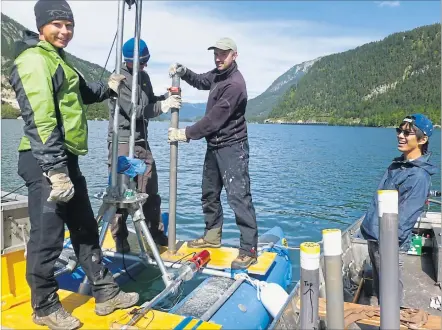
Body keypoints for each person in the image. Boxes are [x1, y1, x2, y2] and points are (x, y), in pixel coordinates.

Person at [9, 1, 139, 328]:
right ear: (41, 26)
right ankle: (45, 307)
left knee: (84, 228)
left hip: (66, 159)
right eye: (57, 24)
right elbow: (40, 118)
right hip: (44, 160)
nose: (65, 31)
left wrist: (107, 88)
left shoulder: (59, 61)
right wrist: (54, 170)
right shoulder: (33, 61)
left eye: (69, 25)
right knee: (48, 237)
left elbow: (82, 92)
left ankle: (106, 293)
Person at [168, 37, 258, 269]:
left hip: (232, 147)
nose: (219, 58)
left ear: (234, 55)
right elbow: (200, 81)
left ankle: (249, 249)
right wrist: (184, 71)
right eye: (216, 53)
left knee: (238, 197)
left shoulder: (235, 84)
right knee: (209, 193)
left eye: (223, 54)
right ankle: (212, 235)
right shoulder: (219, 75)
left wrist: (185, 133)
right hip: (214, 145)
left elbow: (213, 120)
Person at [107, 37, 181, 252]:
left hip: (141, 143)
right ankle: (120, 239)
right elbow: (134, 112)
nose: (145, 66)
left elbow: (149, 101)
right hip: (122, 142)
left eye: (146, 61)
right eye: (141, 62)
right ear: (129, 60)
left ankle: (154, 234)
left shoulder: (144, 77)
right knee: (121, 194)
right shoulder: (119, 80)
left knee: (149, 189)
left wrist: (168, 96)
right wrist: (163, 107)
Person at [360, 113, 438, 306]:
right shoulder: (397, 166)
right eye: (399, 130)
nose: (400, 135)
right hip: (375, 238)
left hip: (388, 243)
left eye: (408, 133)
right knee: (381, 291)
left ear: (423, 139)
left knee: (391, 293)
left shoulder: (418, 176)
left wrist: (388, 246)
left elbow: (404, 221)